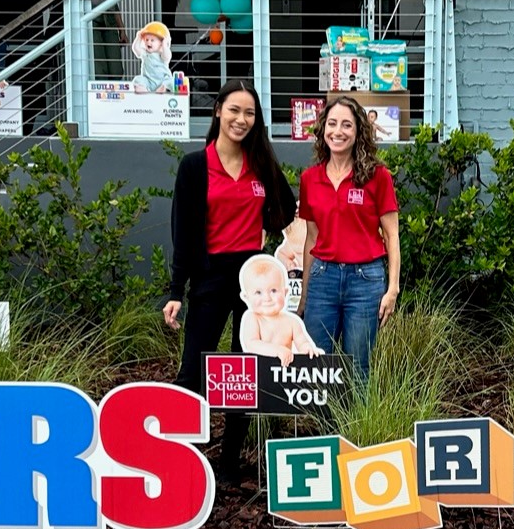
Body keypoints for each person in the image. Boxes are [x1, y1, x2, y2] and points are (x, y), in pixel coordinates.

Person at [163, 80, 297, 482]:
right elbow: (183, 234)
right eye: (235, 110)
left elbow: (286, 208)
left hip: (252, 279)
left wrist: (263, 233)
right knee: (193, 371)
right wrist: (176, 291)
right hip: (210, 277)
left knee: (244, 371)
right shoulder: (195, 166)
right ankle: (177, 457)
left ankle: (229, 464)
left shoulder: (261, 164)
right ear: (218, 110)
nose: (242, 119)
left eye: (250, 114)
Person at [298, 93, 401, 373]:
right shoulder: (310, 179)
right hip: (322, 279)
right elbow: (311, 238)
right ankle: (325, 420)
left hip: (365, 282)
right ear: (323, 130)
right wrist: (305, 295)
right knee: (315, 364)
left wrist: (392, 288)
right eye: (332, 124)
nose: (338, 131)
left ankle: (356, 419)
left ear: (358, 132)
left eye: (346, 125)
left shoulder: (378, 176)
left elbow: (392, 235)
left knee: (358, 367)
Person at [237, 253, 323, 368]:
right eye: (258, 292)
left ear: (285, 292)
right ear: (246, 297)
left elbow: (302, 342)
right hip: (257, 373)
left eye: (273, 290)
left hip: (281, 373)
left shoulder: (292, 321)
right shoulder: (252, 318)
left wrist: (307, 349)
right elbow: (251, 344)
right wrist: (277, 350)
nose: (267, 298)